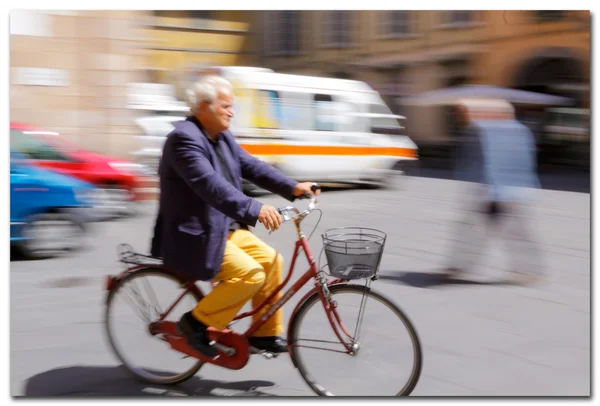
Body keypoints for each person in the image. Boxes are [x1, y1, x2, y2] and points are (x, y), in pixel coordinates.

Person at [150, 75, 320, 357]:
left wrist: (292, 187)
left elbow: (252, 166)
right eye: (226, 105)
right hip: (196, 234)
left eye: (232, 106)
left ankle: (263, 336)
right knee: (249, 274)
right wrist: (256, 209)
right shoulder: (183, 140)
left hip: (224, 228)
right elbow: (211, 187)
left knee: (272, 262)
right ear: (203, 106)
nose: (232, 111)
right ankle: (195, 323)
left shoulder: (221, 137)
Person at [445, 99, 543, 285]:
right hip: (508, 191)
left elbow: (490, 162)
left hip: (497, 192)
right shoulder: (519, 130)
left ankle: (529, 270)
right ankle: (529, 270)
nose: (462, 116)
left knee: (492, 231)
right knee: (503, 231)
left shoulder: (490, 130)